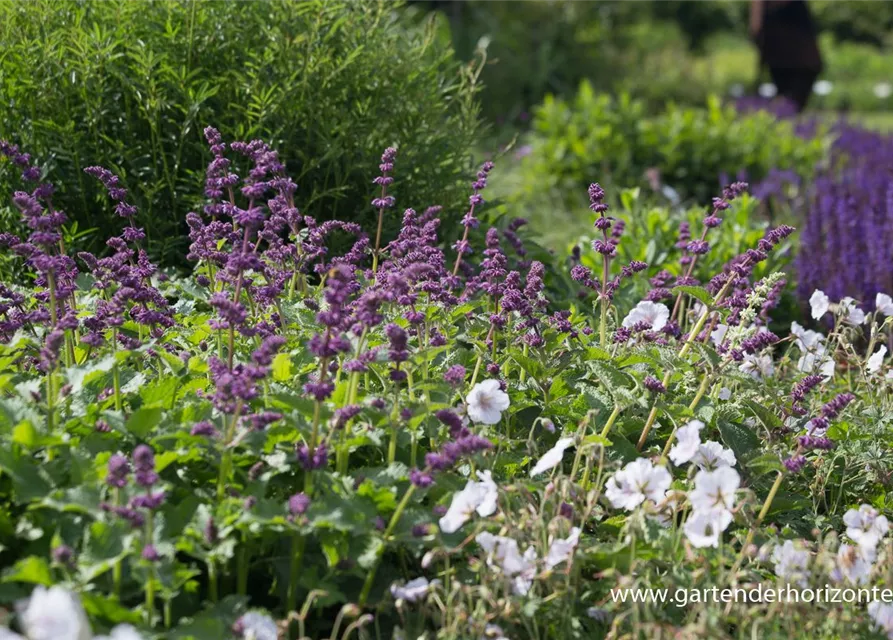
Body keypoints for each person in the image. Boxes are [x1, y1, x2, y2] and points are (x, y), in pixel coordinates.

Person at [750, 0, 823, 112]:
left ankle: (784, 112)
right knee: (789, 97)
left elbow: (756, 26)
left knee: (792, 97)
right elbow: (756, 25)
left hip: (793, 52)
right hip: (782, 50)